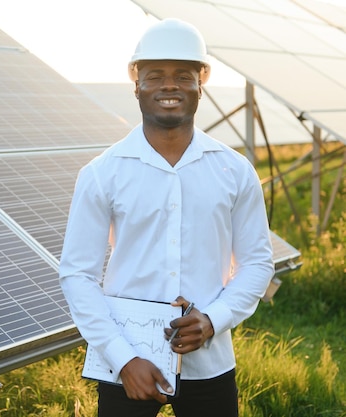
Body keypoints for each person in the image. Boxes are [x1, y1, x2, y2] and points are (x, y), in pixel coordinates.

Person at [59, 18, 275, 417]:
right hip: (126, 365)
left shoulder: (235, 171)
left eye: (183, 76)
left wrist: (212, 319)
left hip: (209, 366)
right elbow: (77, 275)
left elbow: (258, 263)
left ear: (201, 82)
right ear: (136, 83)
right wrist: (123, 358)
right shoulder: (102, 173)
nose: (170, 86)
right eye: (155, 75)